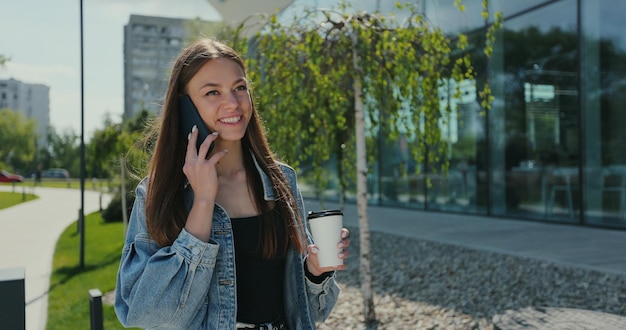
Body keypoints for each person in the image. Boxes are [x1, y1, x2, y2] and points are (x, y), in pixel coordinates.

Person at [114, 38, 350, 330]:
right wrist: (202, 201)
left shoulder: (282, 180)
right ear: (185, 105)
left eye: (240, 88)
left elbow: (311, 311)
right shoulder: (157, 193)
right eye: (212, 92)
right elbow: (147, 314)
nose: (233, 103)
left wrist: (315, 272)